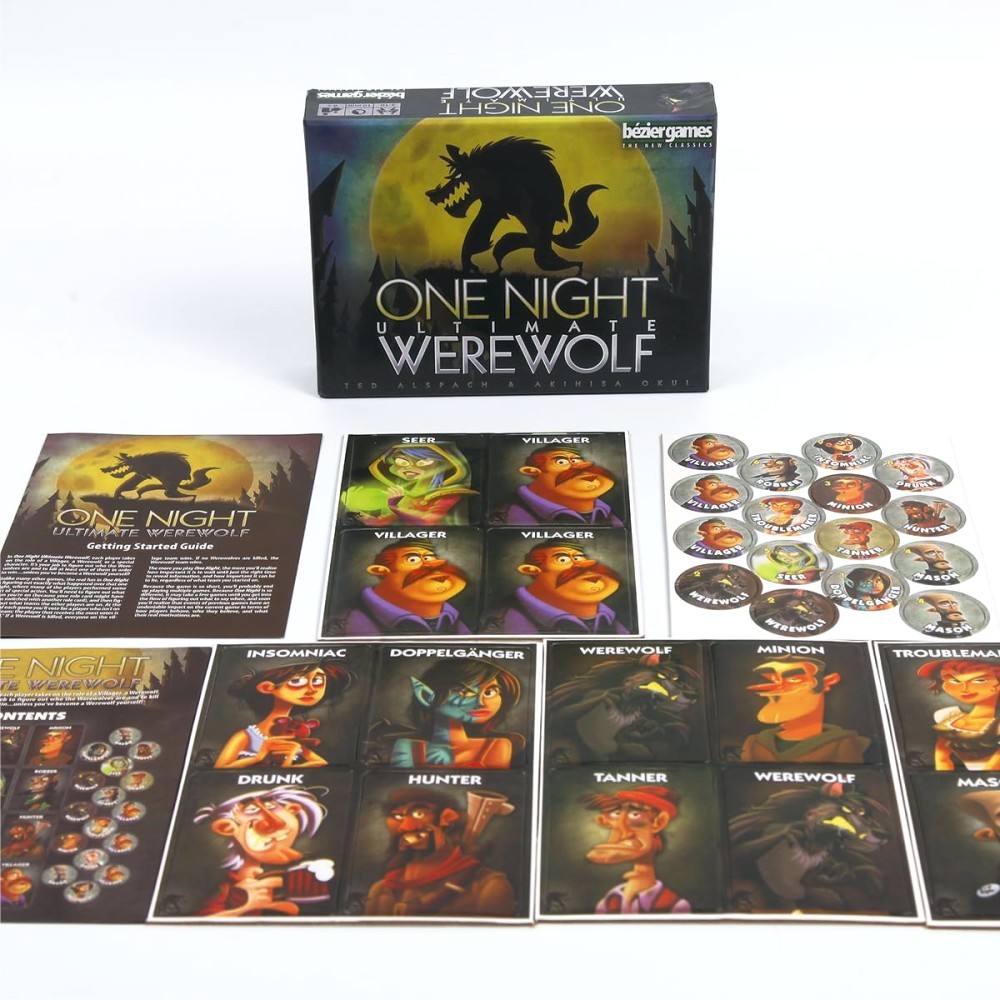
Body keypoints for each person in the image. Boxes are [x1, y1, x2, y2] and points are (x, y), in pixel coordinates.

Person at [365, 789, 516, 917]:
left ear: (447, 818)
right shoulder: (382, 888)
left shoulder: (489, 886)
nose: (405, 827)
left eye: (419, 814)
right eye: (398, 816)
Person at [195, 785, 333, 917]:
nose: (276, 822)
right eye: (252, 811)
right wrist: (246, 907)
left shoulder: (309, 870)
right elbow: (199, 923)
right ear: (228, 828)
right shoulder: (224, 885)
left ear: (292, 811)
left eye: (272, 807)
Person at [214, 660, 352, 769]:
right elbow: (219, 769)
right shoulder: (245, 737)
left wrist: (291, 764)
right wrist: (258, 757)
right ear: (267, 687)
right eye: (297, 681)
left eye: (317, 681)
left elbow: (321, 763)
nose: (311, 689)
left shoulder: (292, 735)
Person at [389, 659, 523, 768]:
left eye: (490, 692)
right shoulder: (407, 746)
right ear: (426, 696)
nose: (481, 702)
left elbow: (490, 785)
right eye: (464, 692)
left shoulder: (497, 746)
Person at [740, 654, 870, 763]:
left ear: (826, 683)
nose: (777, 691)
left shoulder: (843, 744)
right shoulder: (754, 743)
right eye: (774, 680)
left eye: (794, 679)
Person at [585, 785, 690, 914]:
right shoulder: (608, 902)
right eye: (617, 814)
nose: (624, 832)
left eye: (635, 814)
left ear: (659, 823)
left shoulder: (674, 905)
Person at [489, 541, 629, 634]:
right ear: (531, 570)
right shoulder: (506, 618)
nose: (583, 564)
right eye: (563, 560)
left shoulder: (613, 617)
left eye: (580, 558)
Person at [337, 543, 472, 635]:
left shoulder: (454, 617)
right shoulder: (350, 621)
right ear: (380, 571)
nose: (433, 564)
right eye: (413, 559)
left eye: (429, 557)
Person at [342, 442, 476, 526]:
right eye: (402, 461)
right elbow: (383, 522)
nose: (410, 467)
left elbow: (428, 522)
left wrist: (395, 507)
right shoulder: (404, 493)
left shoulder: (449, 493)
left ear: (442, 464)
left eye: (423, 462)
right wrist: (356, 512)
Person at [498, 445, 623, 525]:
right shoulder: (512, 513)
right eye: (561, 461)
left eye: (576, 460)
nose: (580, 465)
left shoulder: (606, 513)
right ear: (532, 471)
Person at [917, 659, 1000, 770]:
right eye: (955, 681)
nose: (964, 689)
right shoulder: (948, 716)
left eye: (979, 680)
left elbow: (993, 767)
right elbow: (942, 759)